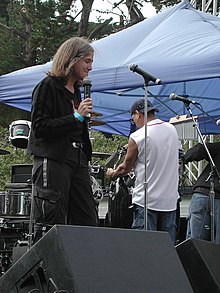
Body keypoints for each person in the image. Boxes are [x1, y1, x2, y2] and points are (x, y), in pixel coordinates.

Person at [27, 37, 99, 244]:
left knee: (87, 219)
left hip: (77, 158)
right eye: (87, 61)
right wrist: (75, 117)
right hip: (54, 158)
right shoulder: (47, 86)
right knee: (51, 220)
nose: (90, 67)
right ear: (71, 59)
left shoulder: (77, 92)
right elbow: (39, 127)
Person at [106, 98, 180, 244]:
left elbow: (125, 168)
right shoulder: (172, 129)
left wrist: (112, 174)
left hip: (147, 201)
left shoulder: (137, 136)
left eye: (133, 119)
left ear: (137, 114)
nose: (134, 123)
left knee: (144, 248)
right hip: (170, 200)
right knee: (167, 249)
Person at [183, 142, 220, 243]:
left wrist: (183, 159)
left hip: (202, 193)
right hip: (206, 195)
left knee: (195, 244)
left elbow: (200, 149)